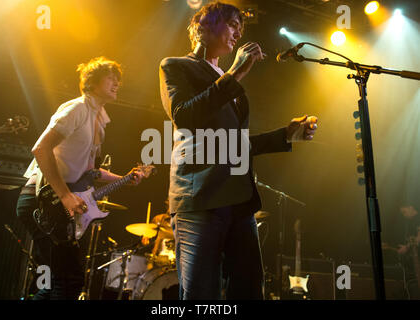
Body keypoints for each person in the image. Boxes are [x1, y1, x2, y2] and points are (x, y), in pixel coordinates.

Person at [159, 2, 318, 300]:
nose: (238, 33)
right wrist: (235, 72)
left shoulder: (229, 82)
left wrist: (284, 135)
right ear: (204, 26)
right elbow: (184, 116)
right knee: (199, 295)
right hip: (199, 199)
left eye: (240, 28)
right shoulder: (176, 66)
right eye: (232, 24)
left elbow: (235, 146)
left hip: (239, 202)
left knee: (248, 290)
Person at [16, 56, 144, 300]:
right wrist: (65, 196)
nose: (117, 83)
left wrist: (125, 177)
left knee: (63, 283)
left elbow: (89, 172)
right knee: (66, 282)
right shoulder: (76, 108)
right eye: (111, 78)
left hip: (54, 203)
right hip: (41, 200)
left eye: (119, 79)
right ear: (92, 81)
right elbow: (41, 149)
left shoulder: (99, 120)